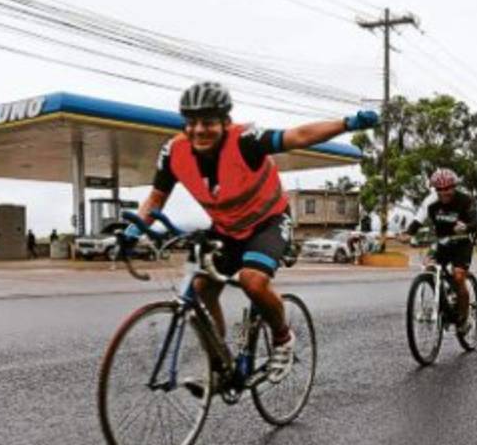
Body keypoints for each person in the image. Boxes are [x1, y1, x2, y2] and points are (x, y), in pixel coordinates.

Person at [122, 81, 378, 384]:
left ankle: (282, 338)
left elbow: (299, 136)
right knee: (202, 289)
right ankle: (221, 363)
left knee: (252, 282)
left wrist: (348, 123)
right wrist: (131, 232)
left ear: (225, 122)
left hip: (267, 222)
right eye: (191, 122)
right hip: (226, 229)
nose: (199, 130)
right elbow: (155, 200)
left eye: (208, 122)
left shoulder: (245, 141)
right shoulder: (173, 152)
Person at [405, 168, 477, 336]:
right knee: (428, 267)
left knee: (459, 276)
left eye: (448, 188)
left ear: (454, 186)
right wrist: (408, 233)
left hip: (462, 242)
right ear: (435, 190)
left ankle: (463, 318)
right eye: (440, 189)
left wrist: (466, 227)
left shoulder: (466, 200)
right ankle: (442, 302)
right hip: (442, 242)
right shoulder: (430, 201)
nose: (444, 192)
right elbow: (418, 219)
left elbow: (475, 223)